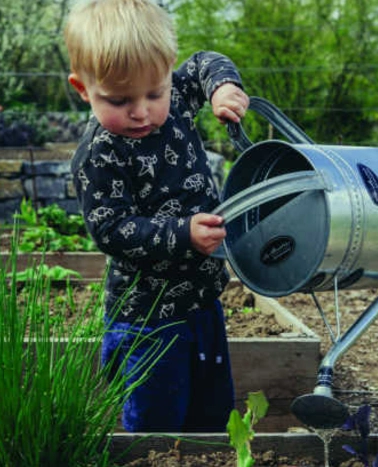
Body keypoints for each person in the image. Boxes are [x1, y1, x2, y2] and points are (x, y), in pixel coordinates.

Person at [64, 0, 249, 432]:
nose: (141, 111)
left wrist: (222, 87)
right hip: (147, 316)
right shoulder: (99, 153)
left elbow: (205, 61)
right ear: (82, 89)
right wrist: (181, 234)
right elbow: (111, 229)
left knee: (212, 410)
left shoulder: (177, 96)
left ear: (167, 74)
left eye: (155, 93)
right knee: (156, 419)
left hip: (203, 300)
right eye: (119, 99)